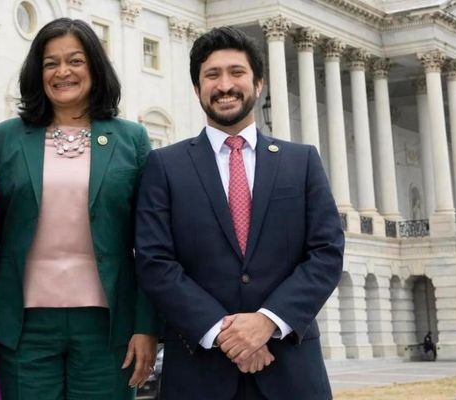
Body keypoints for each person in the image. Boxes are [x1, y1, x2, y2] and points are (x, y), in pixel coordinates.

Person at [134, 26, 344, 399]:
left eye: (237, 72)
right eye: (212, 75)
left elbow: (326, 253)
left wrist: (267, 322)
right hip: (200, 372)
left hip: (290, 369)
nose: (225, 85)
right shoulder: (164, 166)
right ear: (198, 89)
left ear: (258, 83)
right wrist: (223, 333)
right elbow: (154, 260)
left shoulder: (302, 162)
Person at [0, 17, 159, 400]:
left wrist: (146, 325)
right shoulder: (6, 138)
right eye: (50, 63)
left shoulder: (132, 139)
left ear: (94, 66)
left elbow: (150, 242)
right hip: (22, 327)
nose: (63, 72)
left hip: (107, 327)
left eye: (75, 60)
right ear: (37, 73)